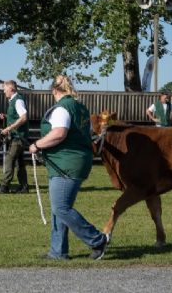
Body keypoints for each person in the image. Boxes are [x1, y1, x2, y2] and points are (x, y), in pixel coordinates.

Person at [29, 74, 109, 260]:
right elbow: (88, 132)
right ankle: (58, 252)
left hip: (66, 164)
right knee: (59, 208)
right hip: (74, 161)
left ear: (54, 91)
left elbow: (58, 134)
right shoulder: (80, 108)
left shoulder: (61, 109)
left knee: (61, 207)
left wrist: (37, 145)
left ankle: (97, 240)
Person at [0, 80, 29, 194]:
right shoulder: (14, 100)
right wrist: (6, 117)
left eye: (5, 89)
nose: (4, 92)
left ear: (11, 89)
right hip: (17, 136)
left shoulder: (18, 100)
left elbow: (23, 118)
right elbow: (16, 116)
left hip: (18, 137)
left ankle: (4, 186)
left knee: (9, 159)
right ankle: (24, 187)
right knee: (20, 162)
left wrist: (8, 128)